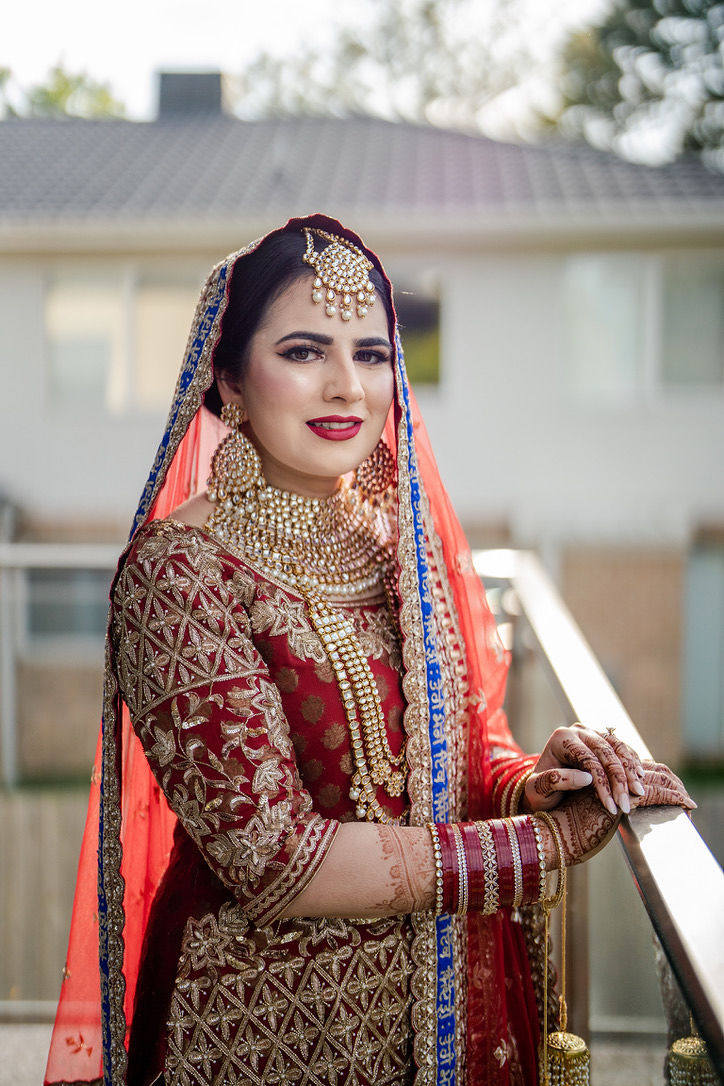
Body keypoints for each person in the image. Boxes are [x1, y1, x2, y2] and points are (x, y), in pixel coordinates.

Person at [45, 214, 694, 1086]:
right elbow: (272, 859)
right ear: (229, 380)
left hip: (438, 1014)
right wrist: (540, 846)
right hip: (263, 1028)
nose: (348, 387)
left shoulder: (399, 541)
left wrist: (536, 782)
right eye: (306, 352)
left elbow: (453, 755)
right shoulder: (179, 574)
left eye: (374, 353)